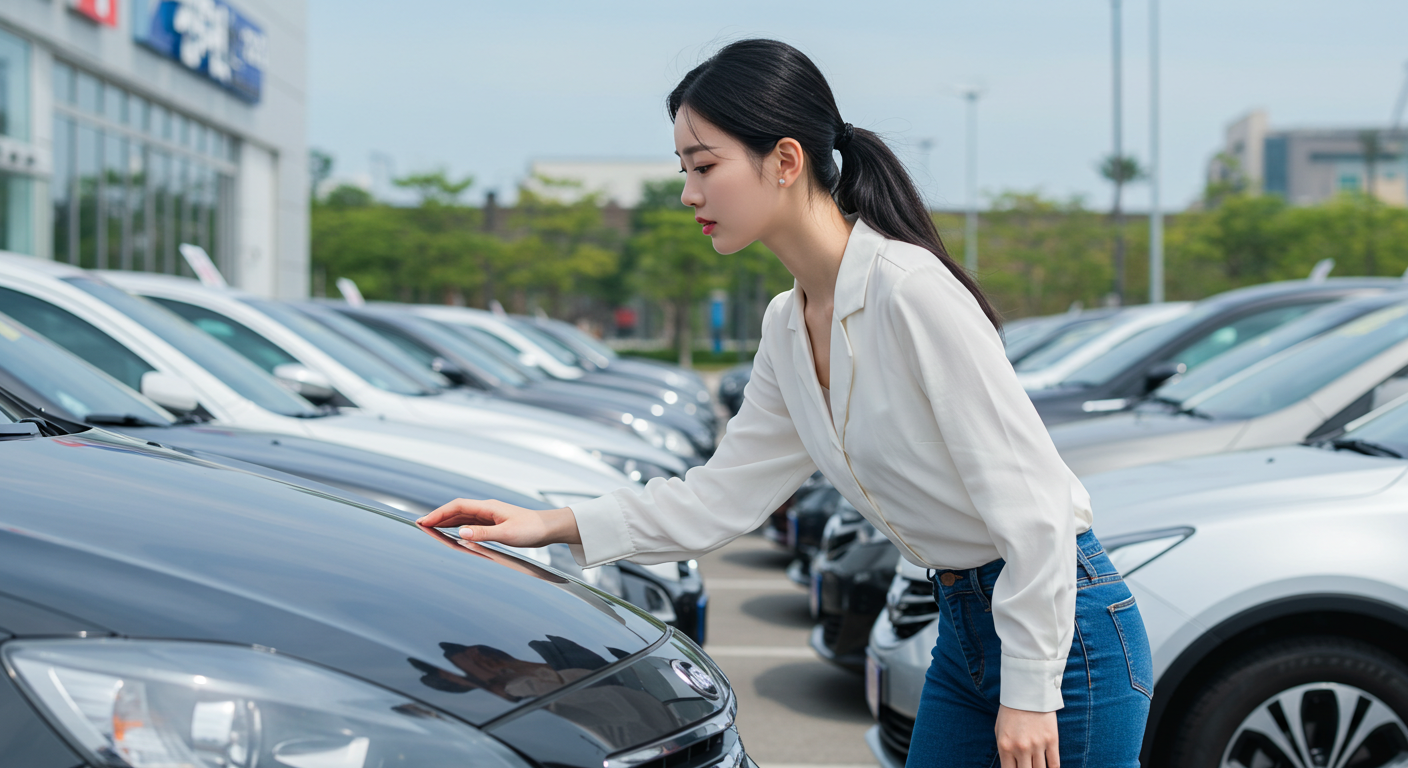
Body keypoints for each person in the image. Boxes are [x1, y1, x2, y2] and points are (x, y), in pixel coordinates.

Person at [419, 39, 1151, 768]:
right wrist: (551, 523)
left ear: (787, 160)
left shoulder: (910, 290)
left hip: (1063, 634)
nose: (688, 193)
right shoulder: (787, 323)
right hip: (963, 628)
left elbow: (1036, 508)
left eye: (705, 165)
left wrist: (1029, 692)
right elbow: (722, 497)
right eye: (685, 169)